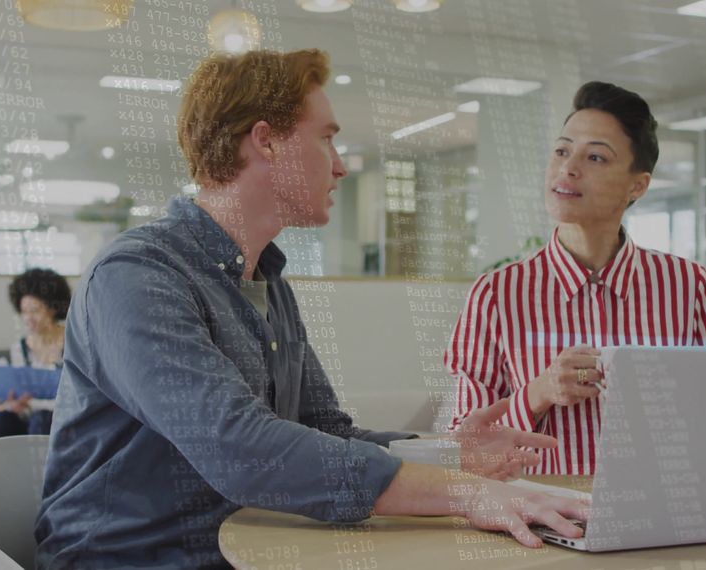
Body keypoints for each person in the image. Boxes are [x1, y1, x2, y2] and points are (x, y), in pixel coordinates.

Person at [35, 49, 587, 569]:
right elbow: (243, 450)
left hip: (247, 545)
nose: (342, 166)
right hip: (133, 557)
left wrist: (448, 453)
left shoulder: (267, 279)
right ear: (266, 142)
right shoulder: (137, 277)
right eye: (326, 139)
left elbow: (325, 430)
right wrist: (464, 493)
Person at [445, 81, 706, 476]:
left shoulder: (686, 284)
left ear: (637, 185)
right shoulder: (497, 293)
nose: (568, 168)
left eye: (595, 157)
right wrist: (539, 392)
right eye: (562, 150)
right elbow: (468, 448)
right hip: (541, 520)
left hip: (658, 517)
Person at [0, 268, 69, 438]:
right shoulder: (19, 348)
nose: (28, 318)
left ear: (52, 309)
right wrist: (11, 404)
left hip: (60, 416)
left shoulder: (72, 341)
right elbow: (21, 392)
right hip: (29, 415)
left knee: (41, 419)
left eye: (35, 311)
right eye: (24, 312)